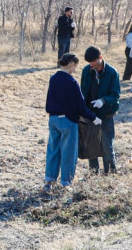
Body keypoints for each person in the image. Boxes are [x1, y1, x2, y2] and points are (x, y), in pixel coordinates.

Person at [42, 53, 100, 199]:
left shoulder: (53, 78)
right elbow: (80, 106)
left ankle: (49, 181)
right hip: (67, 121)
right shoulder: (71, 82)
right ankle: (66, 183)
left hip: (53, 119)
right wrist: (93, 117)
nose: (75, 70)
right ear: (71, 64)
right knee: (69, 152)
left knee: (53, 150)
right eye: (75, 66)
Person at [80, 46, 120, 175]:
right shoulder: (86, 71)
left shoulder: (112, 72)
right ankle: (94, 173)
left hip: (106, 114)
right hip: (90, 114)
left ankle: (110, 172)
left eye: (93, 62)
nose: (91, 65)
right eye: (89, 63)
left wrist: (103, 101)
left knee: (107, 145)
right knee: (91, 145)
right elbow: (83, 91)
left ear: (100, 58)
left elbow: (115, 95)